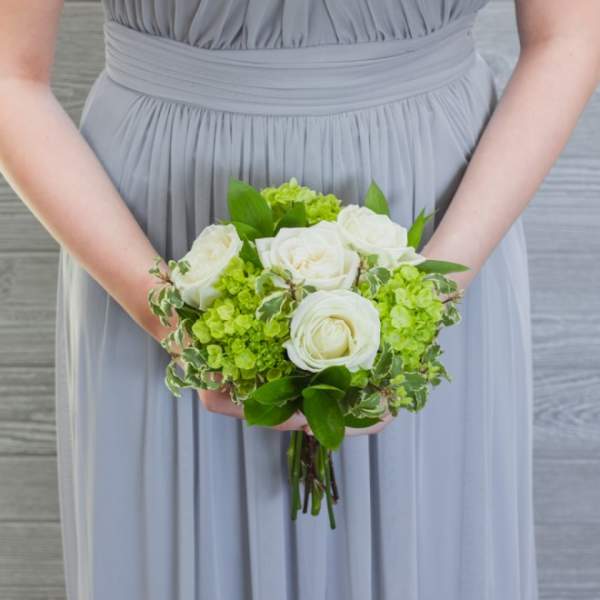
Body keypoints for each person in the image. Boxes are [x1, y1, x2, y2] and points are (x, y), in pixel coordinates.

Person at [1, 1, 599, 598]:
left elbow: (569, 34)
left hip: (445, 223)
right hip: (149, 244)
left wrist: (426, 299)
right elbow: (9, 73)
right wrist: (174, 321)